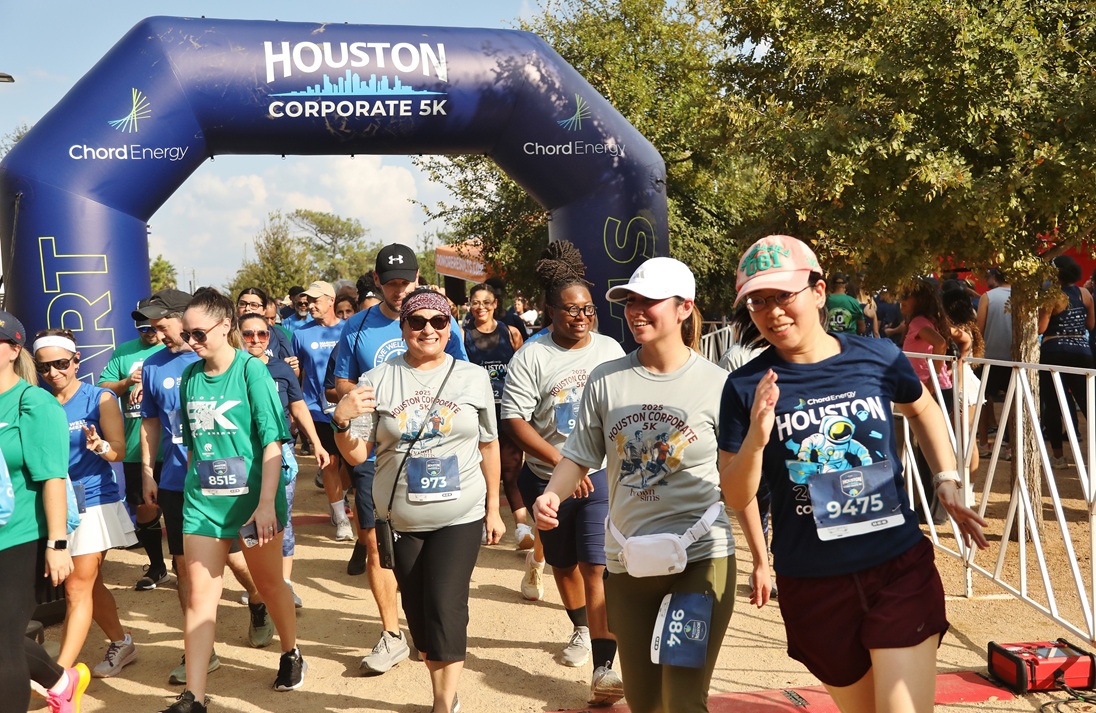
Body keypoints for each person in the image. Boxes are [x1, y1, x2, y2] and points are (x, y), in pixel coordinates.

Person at [719, 234, 989, 713]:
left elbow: (923, 409)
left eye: (784, 295)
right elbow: (735, 493)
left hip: (895, 566)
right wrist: (759, 437)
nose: (772, 311)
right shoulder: (745, 386)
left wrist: (946, 478)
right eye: (758, 301)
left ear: (818, 292)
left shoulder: (878, 356)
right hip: (813, 582)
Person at [532, 257, 767, 713]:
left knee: (680, 699)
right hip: (627, 561)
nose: (637, 310)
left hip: (699, 560)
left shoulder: (720, 385)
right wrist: (552, 494)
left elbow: (736, 482)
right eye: (631, 301)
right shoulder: (607, 378)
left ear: (684, 308)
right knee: (644, 702)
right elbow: (579, 455)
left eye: (649, 301)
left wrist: (760, 558)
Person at [333, 287, 503, 713]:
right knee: (420, 614)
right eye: (417, 321)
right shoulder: (376, 380)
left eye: (438, 321)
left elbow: (488, 446)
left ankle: (443, 703)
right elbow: (356, 454)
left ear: (450, 327)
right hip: (401, 517)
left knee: (446, 603)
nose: (428, 329)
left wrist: (494, 509)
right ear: (404, 326)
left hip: (460, 512)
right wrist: (341, 418)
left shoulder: (472, 377)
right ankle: (441, 685)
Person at [161, 289, 303, 713]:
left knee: (269, 584)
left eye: (199, 333)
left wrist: (264, 506)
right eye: (187, 334)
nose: (192, 342)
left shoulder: (251, 373)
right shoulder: (189, 377)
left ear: (226, 326)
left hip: (255, 502)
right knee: (201, 598)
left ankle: (291, 651)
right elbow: (193, 444)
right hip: (203, 502)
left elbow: (273, 444)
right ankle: (194, 698)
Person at [332, 245, 468, 675]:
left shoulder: (443, 320)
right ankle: (392, 634)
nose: (398, 289)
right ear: (376, 280)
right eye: (391, 282)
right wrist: (366, 399)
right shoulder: (355, 328)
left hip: (436, 448)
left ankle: (436, 622)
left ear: (416, 277)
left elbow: (460, 375)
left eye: (405, 281)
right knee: (376, 542)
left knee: (434, 547)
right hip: (380, 447)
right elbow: (340, 383)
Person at [500, 241, 626, 705]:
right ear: (550, 311)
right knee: (563, 563)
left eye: (588, 310)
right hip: (545, 478)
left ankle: (603, 667)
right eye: (571, 310)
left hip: (601, 476)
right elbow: (513, 419)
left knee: (597, 565)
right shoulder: (533, 357)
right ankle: (579, 626)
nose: (581, 317)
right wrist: (561, 464)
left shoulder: (610, 349)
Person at [136, 289, 271, 687]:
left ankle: (260, 602)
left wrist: (264, 498)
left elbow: (267, 435)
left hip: (237, 485)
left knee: (240, 562)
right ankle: (199, 659)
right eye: (153, 327)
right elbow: (152, 422)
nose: (161, 333)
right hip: (184, 483)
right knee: (187, 573)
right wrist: (148, 471)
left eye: (165, 325)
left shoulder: (235, 366)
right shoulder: (155, 367)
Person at [34, 329, 139, 676]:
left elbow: (119, 451)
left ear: (77, 361)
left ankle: (59, 675)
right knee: (88, 583)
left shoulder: (100, 399)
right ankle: (122, 642)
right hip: (53, 503)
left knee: (77, 585)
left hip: (93, 500)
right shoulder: (37, 401)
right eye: (45, 366)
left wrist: (100, 447)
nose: (53, 373)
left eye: (61, 363)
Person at [0, 310, 88, 713]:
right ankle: (61, 680)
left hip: (21, 539)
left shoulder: (32, 403)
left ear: (14, 349)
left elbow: (53, 478)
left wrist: (57, 544)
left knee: (3, 650)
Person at [238, 312, 332, 605]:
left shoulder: (281, 368)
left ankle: (285, 583)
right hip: (242, 457)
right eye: (249, 334)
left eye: (262, 334)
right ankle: (260, 584)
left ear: (270, 336)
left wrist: (316, 443)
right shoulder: (231, 371)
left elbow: (299, 406)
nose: (255, 340)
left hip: (281, 453)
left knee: (282, 516)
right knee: (246, 517)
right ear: (239, 336)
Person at [98, 300, 168, 590]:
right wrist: (127, 381)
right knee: (143, 506)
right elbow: (103, 386)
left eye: (152, 327)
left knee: (179, 505)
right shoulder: (124, 350)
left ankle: (184, 561)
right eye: (142, 327)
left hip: (175, 446)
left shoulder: (176, 349)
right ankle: (157, 566)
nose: (148, 333)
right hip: (137, 448)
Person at [464, 282, 530, 548]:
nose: (480, 307)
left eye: (486, 302)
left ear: (495, 305)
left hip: (507, 411)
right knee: (481, 473)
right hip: (478, 413)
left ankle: (523, 528)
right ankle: (484, 523)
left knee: (512, 469)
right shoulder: (462, 335)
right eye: (475, 302)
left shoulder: (511, 333)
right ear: (469, 305)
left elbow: (523, 372)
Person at [291, 280, 349, 541]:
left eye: (316, 300)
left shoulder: (350, 330)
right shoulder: (301, 333)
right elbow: (296, 373)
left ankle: (338, 497)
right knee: (330, 462)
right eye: (308, 300)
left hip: (348, 408)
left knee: (351, 464)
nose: (310, 305)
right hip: (317, 409)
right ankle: (341, 517)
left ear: (331, 300)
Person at [1038, 255, 1095, 468]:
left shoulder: (1052, 296)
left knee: (1052, 405)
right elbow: (1090, 325)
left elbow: (1041, 329)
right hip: (1082, 352)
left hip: (1054, 351)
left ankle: (1059, 457)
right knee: (1089, 404)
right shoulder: (1085, 294)